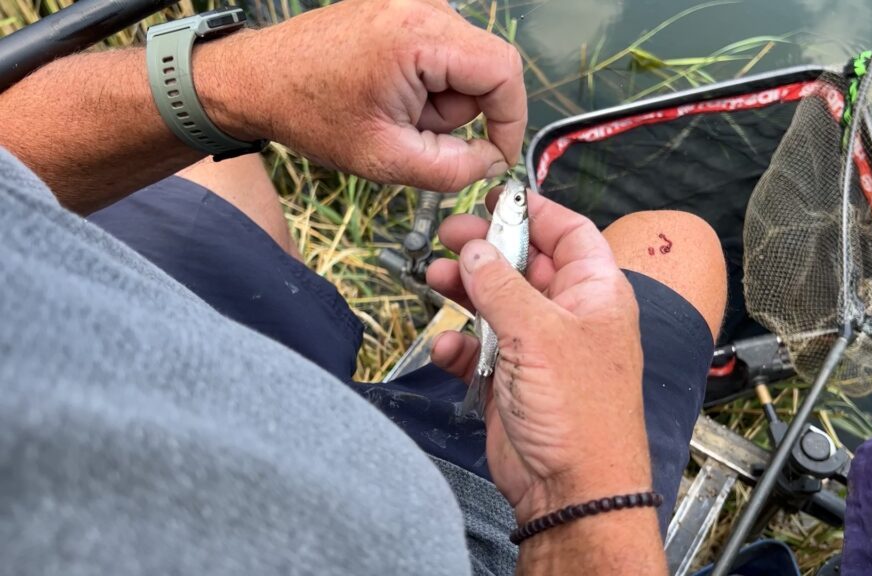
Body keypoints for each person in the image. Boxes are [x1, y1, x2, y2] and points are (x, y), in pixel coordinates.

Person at [0, 1, 726, 574]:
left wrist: (240, 84)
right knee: (680, 247)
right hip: (489, 527)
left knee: (219, 166)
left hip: (191, 360)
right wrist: (584, 494)